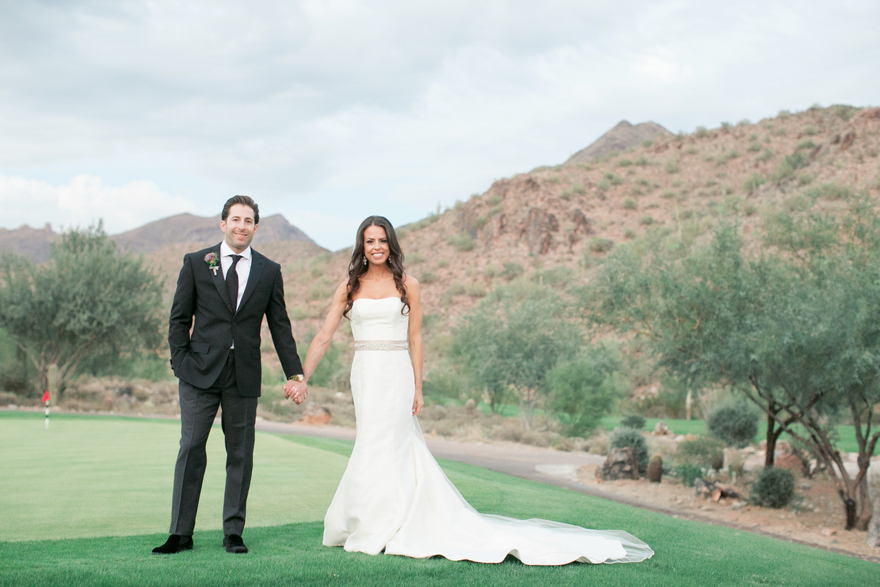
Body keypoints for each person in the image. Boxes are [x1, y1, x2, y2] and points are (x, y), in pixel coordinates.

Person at [293, 215, 653, 565]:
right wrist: (301, 377)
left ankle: (389, 524)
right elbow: (324, 336)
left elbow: (415, 338)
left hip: (397, 374)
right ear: (362, 245)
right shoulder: (348, 287)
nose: (376, 247)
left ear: (391, 244)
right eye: (370, 241)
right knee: (370, 442)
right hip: (365, 373)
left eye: (382, 240)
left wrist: (419, 387)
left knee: (394, 444)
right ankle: (367, 520)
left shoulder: (408, 284)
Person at [153, 195, 308, 555]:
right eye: (235, 219)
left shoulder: (269, 271)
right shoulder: (196, 262)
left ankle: (233, 532)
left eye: (248, 220)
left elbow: (280, 327)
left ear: (256, 227)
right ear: (223, 224)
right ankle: (180, 533)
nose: (242, 226)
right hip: (198, 373)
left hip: (243, 376)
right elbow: (179, 319)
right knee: (191, 447)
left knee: (240, 452)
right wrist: (180, 363)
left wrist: (295, 374)